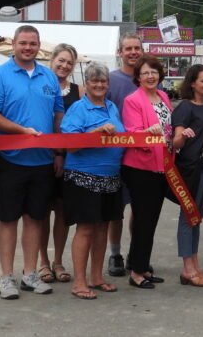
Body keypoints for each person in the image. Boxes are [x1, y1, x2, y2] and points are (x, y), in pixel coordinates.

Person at [0, 25, 64, 299]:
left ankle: (30, 274)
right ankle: (7, 277)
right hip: (9, 160)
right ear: (14, 44)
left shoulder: (49, 77)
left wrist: (58, 150)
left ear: (39, 46)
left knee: (35, 218)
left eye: (32, 43)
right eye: (23, 43)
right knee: (8, 219)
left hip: (42, 161)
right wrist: (21, 131)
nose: (28, 48)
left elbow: (58, 117)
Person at [60, 63, 125, 300]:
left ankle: (97, 277)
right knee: (86, 228)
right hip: (83, 177)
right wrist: (96, 132)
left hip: (111, 177)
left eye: (103, 81)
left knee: (102, 228)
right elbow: (70, 146)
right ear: (86, 84)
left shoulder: (112, 107)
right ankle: (79, 282)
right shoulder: (78, 109)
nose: (99, 85)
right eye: (94, 81)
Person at [121, 55, 175, 289]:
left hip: (162, 165)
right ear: (138, 77)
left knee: (151, 220)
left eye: (153, 72)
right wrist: (147, 133)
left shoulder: (163, 96)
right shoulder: (132, 100)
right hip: (140, 167)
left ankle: (141, 264)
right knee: (143, 219)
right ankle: (136, 272)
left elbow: (169, 128)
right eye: (145, 73)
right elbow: (132, 133)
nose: (150, 76)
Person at [38, 43, 85, 285]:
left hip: (70, 159)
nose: (64, 66)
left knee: (63, 211)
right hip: (42, 157)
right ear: (52, 60)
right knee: (42, 212)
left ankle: (58, 261)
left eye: (69, 62)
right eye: (61, 60)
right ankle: (43, 262)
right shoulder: (41, 85)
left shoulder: (79, 90)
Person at [172, 64, 203, 287]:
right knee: (188, 218)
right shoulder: (185, 107)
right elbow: (175, 140)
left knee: (196, 218)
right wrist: (184, 135)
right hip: (189, 170)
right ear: (192, 83)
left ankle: (194, 264)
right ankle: (187, 269)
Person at [105, 33, 144, 277]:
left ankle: (135, 254)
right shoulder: (110, 80)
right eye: (128, 48)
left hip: (142, 155)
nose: (132, 52)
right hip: (115, 155)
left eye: (136, 48)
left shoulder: (149, 78)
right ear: (120, 52)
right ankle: (115, 254)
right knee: (116, 209)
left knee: (139, 209)